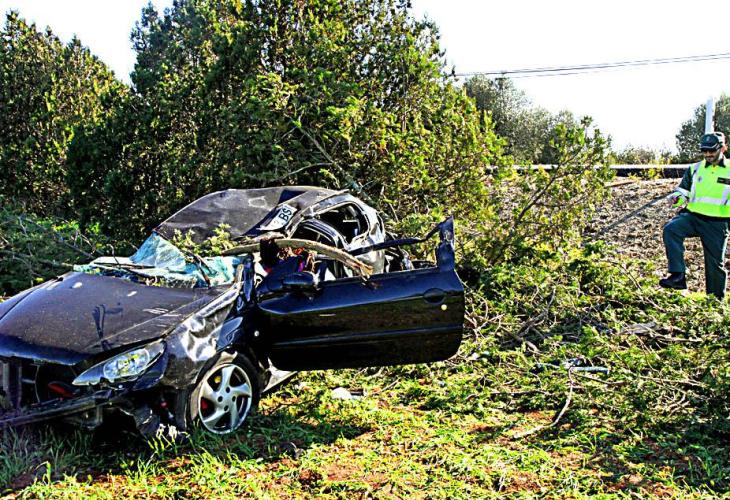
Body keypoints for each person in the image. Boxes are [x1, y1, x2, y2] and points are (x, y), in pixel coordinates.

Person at [660, 131, 730, 299]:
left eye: (712, 150)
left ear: (723, 149)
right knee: (671, 229)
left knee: (715, 265)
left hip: (718, 223)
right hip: (693, 217)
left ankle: (715, 302)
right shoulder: (695, 169)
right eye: (704, 150)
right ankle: (678, 276)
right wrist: (676, 199)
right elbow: (683, 193)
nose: (708, 154)